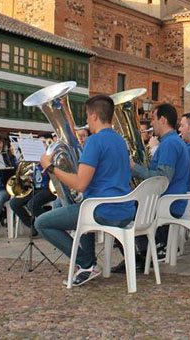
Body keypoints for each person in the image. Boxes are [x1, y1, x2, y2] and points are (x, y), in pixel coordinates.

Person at [35, 95, 135, 287]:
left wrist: (50, 167)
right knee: (80, 206)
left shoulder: (95, 142)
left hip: (103, 210)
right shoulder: (119, 140)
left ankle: (85, 262)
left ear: (95, 115)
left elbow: (80, 183)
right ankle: (88, 264)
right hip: (124, 208)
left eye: (88, 116)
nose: (87, 121)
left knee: (42, 223)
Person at [118, 103, 189, 272]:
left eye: (153, 119)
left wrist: (133, 167)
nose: (151, 124)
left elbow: (162, 179)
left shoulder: (170, 144)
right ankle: (142, 253)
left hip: (168, 202)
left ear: (163, 120)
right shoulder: (173, 142)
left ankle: (140, 255)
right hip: (170, 200)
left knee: (120, 209)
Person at [9, 162, 55, 237]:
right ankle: (32, 225)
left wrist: (46, 166)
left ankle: (48, 223)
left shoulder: (48, 160)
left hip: (48, 189)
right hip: (34, 189)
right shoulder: (30, 164)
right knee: (14, 203)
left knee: (32, 204)